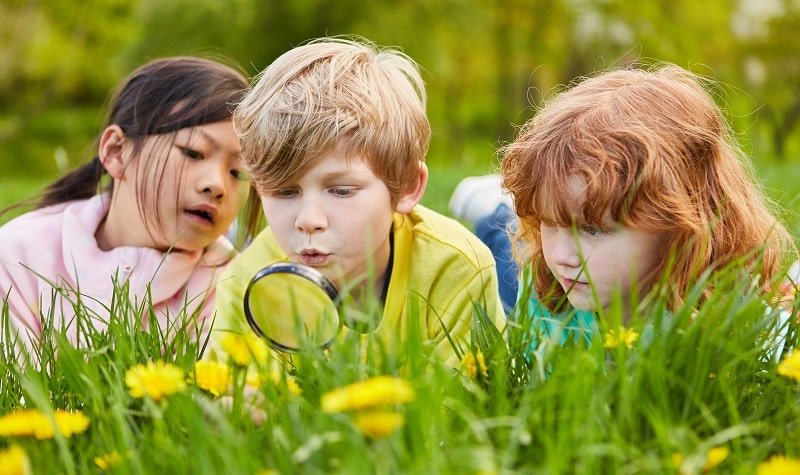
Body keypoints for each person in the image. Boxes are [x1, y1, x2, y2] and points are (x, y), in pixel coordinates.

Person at [209, 37, 505, 368]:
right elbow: (224, 397)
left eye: (341, 190)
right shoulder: (246, 280)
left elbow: (463, 403)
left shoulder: (455, 267)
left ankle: (497, 210)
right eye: (284, 192)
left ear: (406, 186)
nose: (308, 221)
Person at [450, 64, 796, 347]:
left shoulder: (740, 330)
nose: (563, 256)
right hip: (528, 280)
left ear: (680, 222)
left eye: (592, 228)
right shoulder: (542, 301)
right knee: (509, 263)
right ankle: (497, 212)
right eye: (550, 221)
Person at [0, 56, 261, 355]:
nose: (216, 185)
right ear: (116, 152)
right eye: (193, 152)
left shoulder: (232, 284)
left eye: (237, 172)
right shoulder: (19, 257)